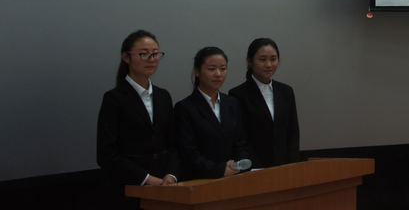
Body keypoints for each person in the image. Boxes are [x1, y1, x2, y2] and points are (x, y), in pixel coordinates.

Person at [97, 30, 179, 207]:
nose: (152, 59)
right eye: (143, 54)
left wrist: (171, 174)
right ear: (126, 57)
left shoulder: (163, 96)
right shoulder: (114, 98)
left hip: (166, 187)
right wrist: (146, 178)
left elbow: (173, 143)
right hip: (129, 189)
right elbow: (106, 154)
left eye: (155, 54)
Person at [174, 47, 250, 179]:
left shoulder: (232, 103)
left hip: (234, 178)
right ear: (197, 71)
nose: (218, 74)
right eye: (211, 69)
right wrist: (220, 169)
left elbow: (241, 143)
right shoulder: (185, 108)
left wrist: (238, 164)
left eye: (223, 68)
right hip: (201, 179)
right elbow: (188, 152)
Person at [229, 38, 302, 168]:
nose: (269, 65)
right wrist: (256, 168)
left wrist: (293, 165)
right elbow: (241, 138)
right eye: (262, 59)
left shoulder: (286, 91)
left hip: (285, 167)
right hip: (255, 169)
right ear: (250, 61)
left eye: (273, 59)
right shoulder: (238, 94)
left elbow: (293, 132)